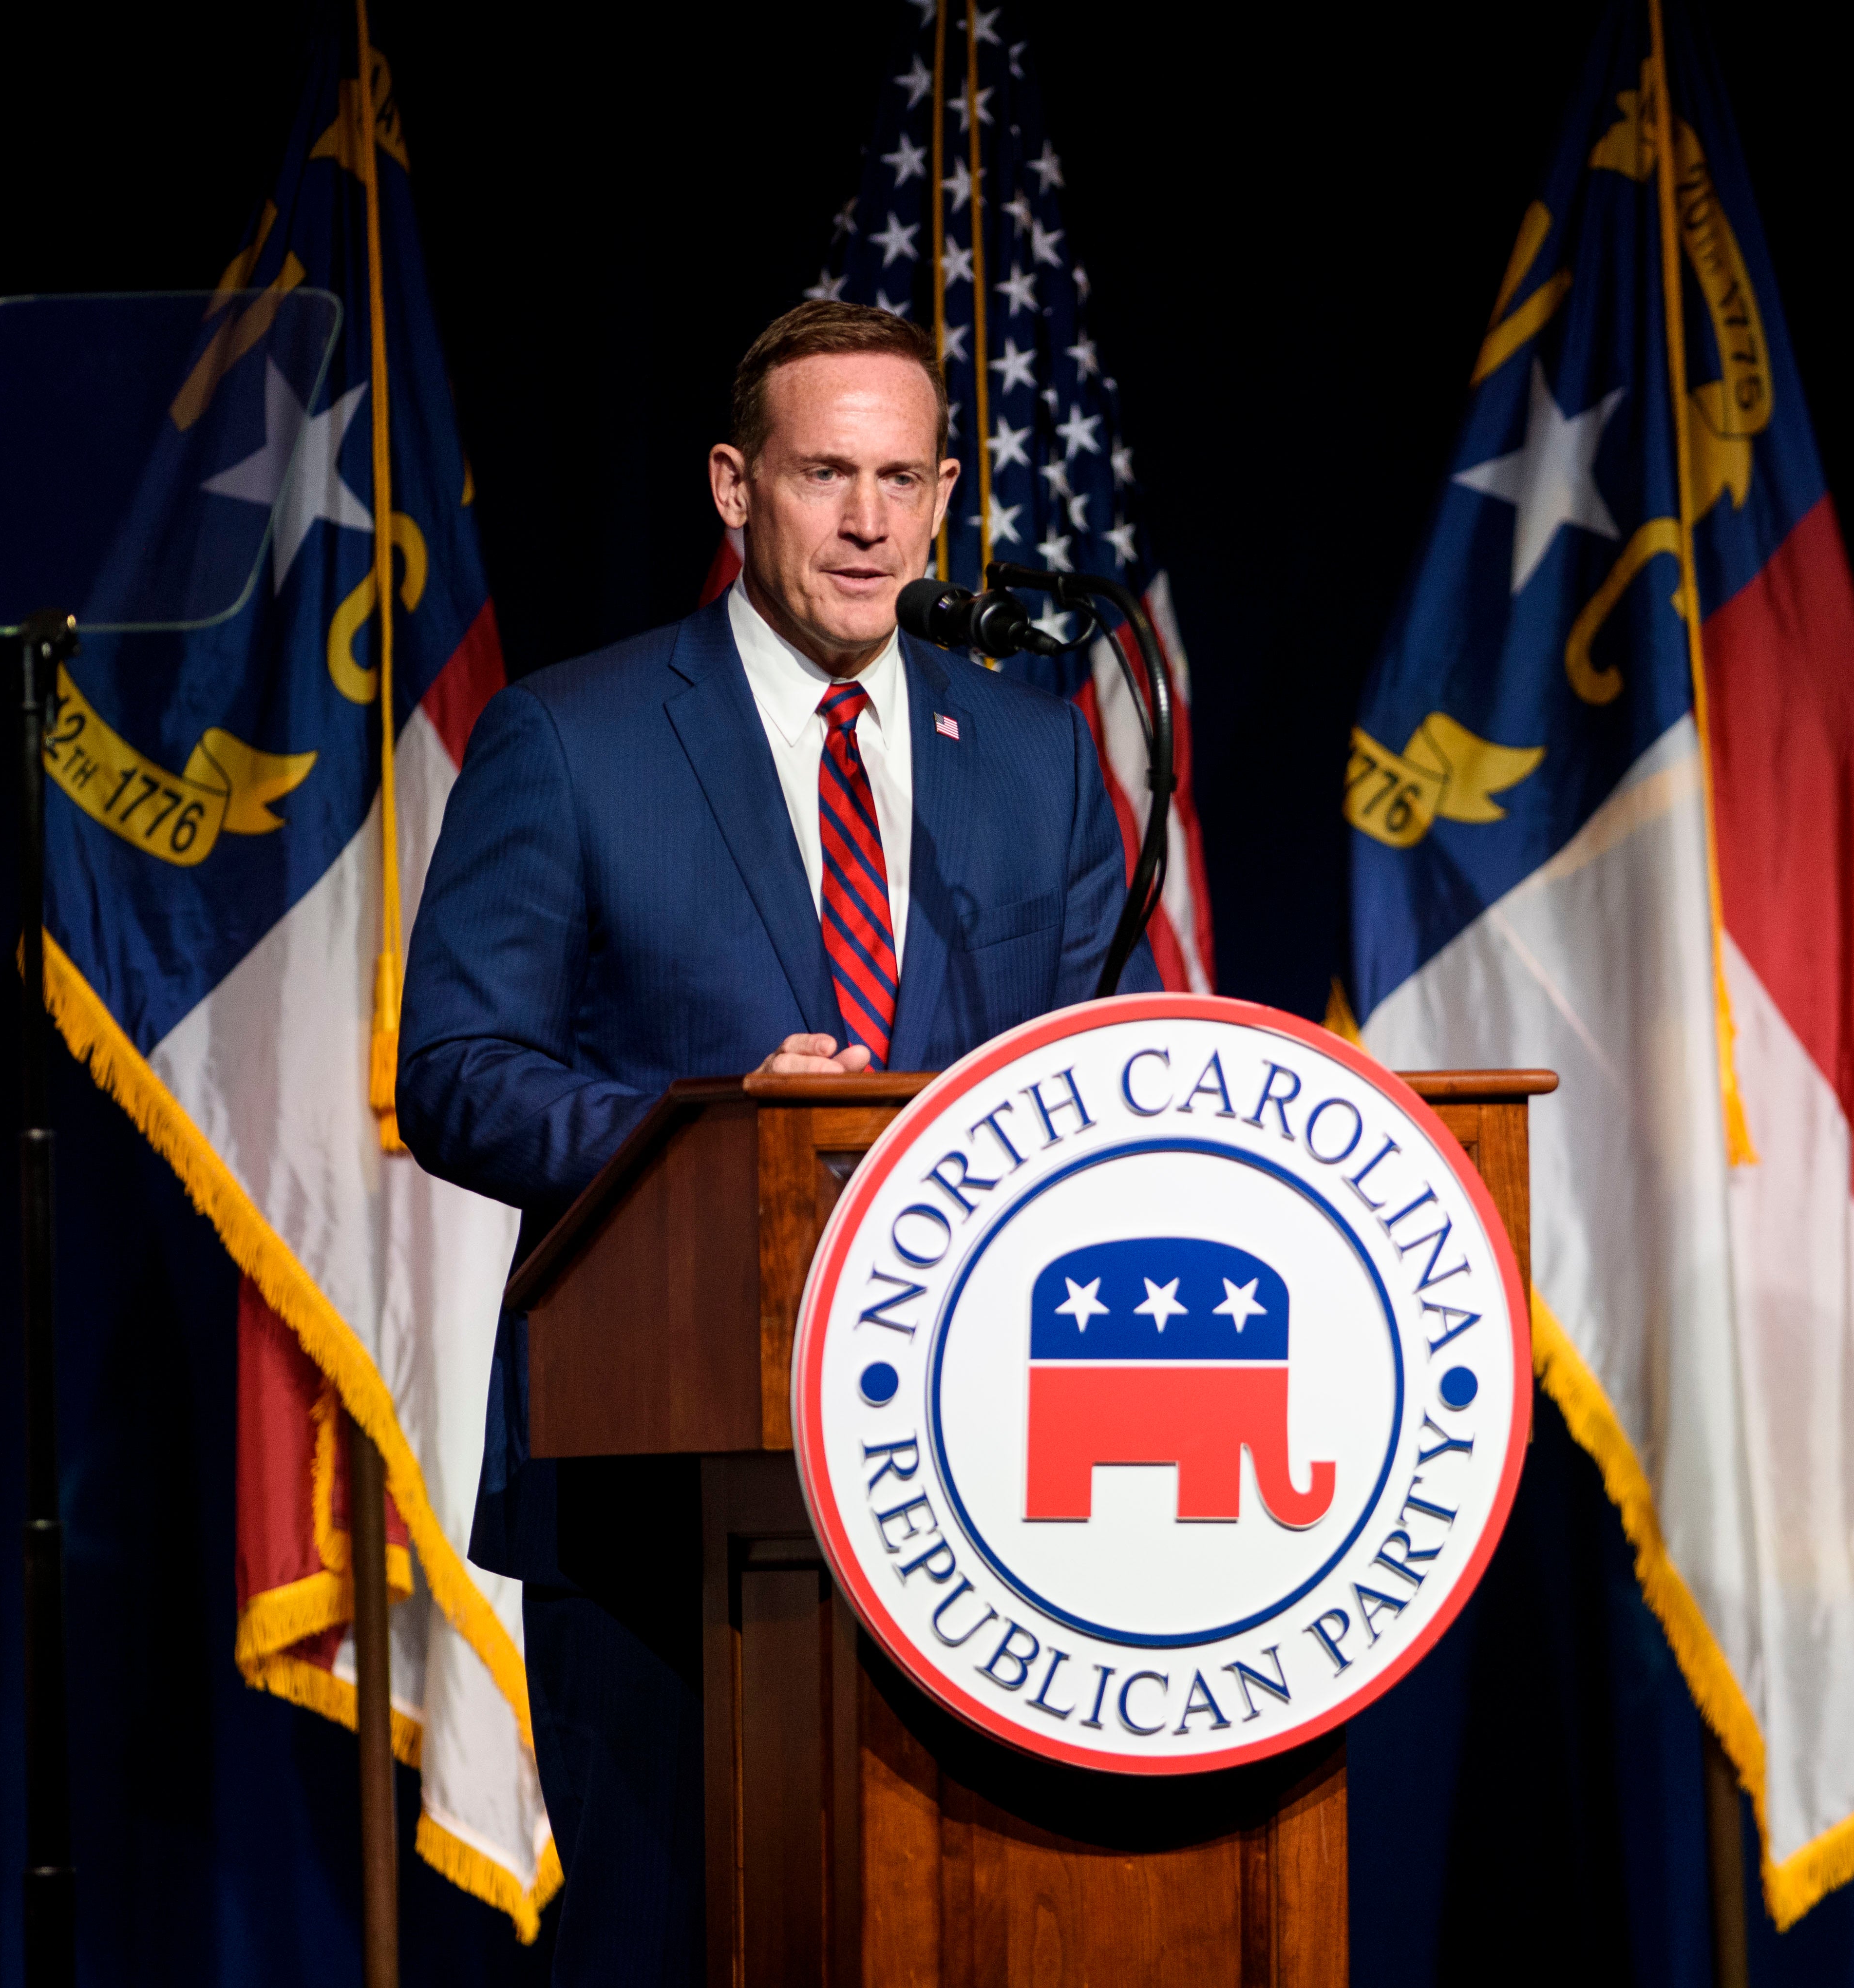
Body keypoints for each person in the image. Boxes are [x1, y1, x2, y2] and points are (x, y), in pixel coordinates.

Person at [398, 300, 1148, 1980]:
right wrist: (708, 1139)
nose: (869, 523)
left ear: (945, 495)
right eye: (825, 476)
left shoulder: (1036, 758)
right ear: (737, 487)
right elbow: (454, 1070)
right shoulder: (573, 739)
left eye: (902, 479)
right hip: (663, 1496)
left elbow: (1094, 1087)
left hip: (981, 1499)